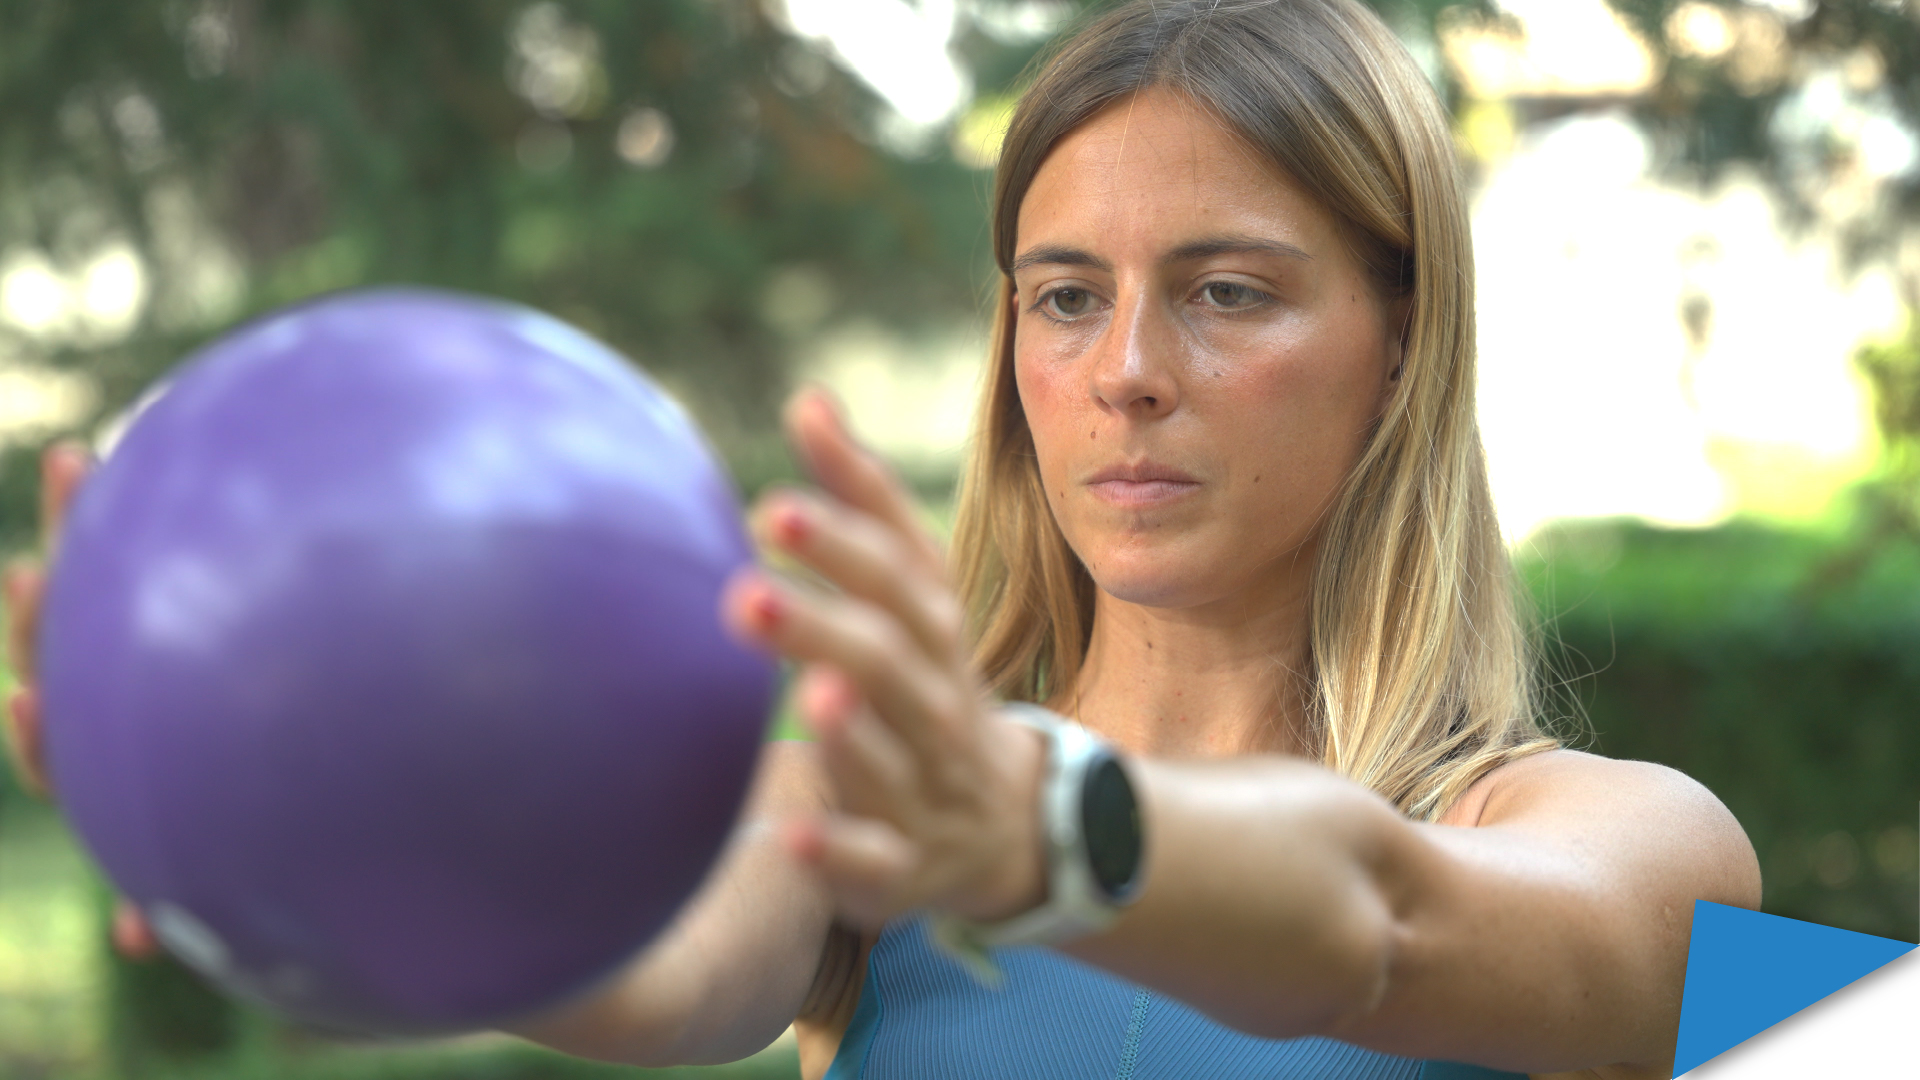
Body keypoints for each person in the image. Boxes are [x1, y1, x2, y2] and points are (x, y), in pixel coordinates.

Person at [4, 1, 1761, 1077]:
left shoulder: (1626, 843)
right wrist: (296, 836)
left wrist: (1043, 831)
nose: (1127, 371)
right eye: (1064, 297)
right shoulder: (863, 822)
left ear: (1400, 347)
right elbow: (639, 974)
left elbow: (1377, 923)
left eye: (1228, 291)